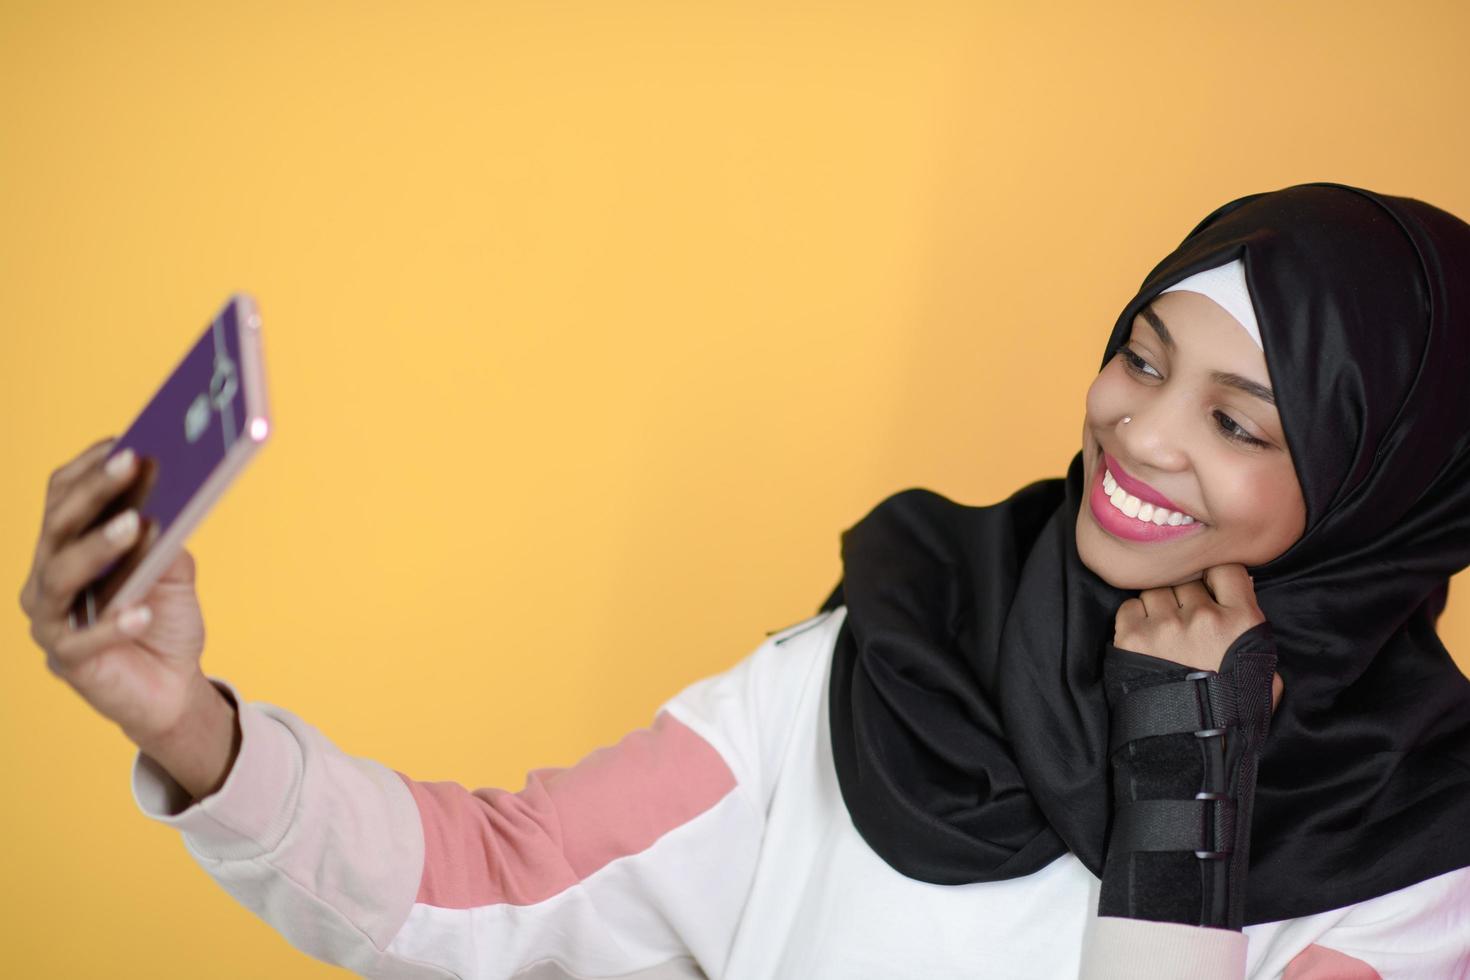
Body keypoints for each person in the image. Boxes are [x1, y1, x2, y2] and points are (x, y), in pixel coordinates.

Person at [21, 182, 1470, 979]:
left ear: (1374, 492)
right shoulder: (894, 659)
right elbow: (502, 881)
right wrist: (192, 732)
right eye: (1140, 355)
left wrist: (1182, 808)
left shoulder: (1419, 872)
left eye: (1235, 421)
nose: (1137, 430)